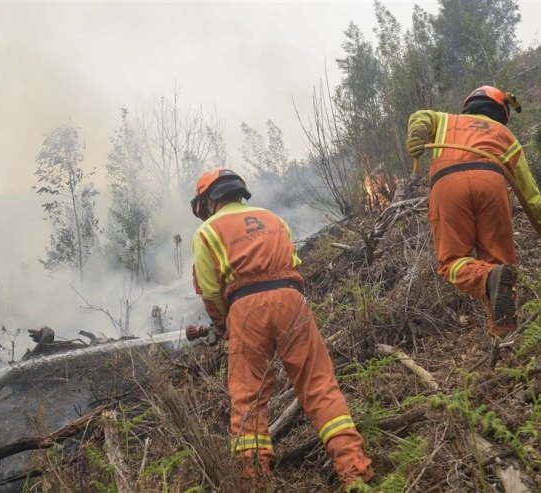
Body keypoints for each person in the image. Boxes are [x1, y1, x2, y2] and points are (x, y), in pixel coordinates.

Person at [190, 168, 374, 490]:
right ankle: (355, 472)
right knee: (319, 386)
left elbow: (209, 292)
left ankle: (256, 482)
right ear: (239, 192)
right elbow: (293, 264)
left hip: (245, 310)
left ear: (208, 201)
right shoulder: (275, 219)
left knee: (248, 399)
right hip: (292, 301)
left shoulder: (206, 232)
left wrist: (223, 326)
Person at [406, 85, 541, 337]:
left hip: (448, 185)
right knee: (500, 265)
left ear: (470, 105)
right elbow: (531, 198)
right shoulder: (505, 135)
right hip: (491, 182)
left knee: (452, 263)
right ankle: (506, 334)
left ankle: (490, 278)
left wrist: (417, 132)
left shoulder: (447, 120)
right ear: (501, 111)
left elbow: (421, 115)